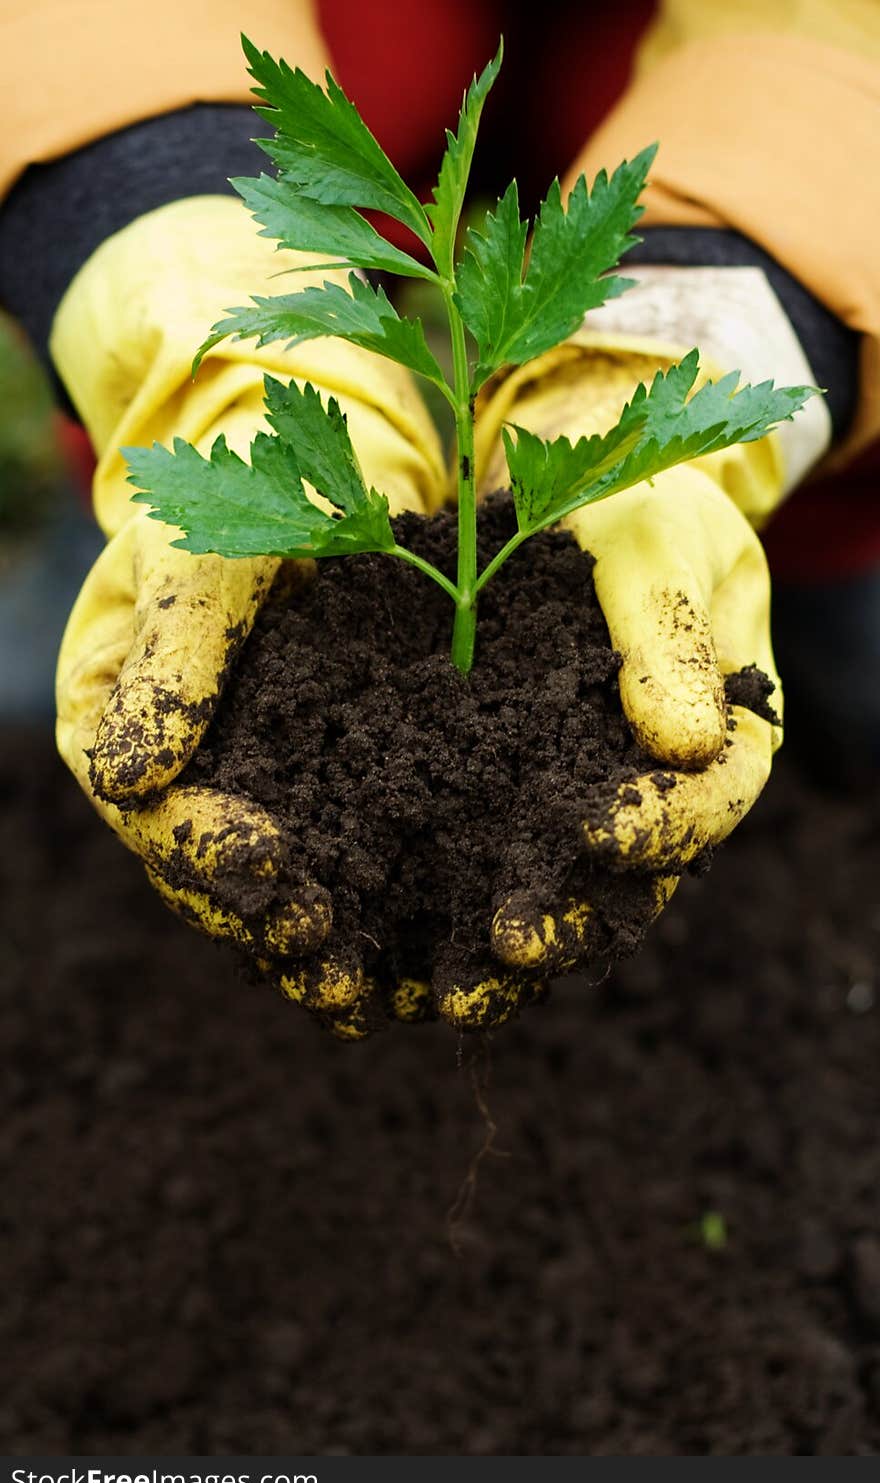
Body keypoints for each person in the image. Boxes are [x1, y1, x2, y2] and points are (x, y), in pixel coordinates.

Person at [0, 0, 876, 1027]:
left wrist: (744, 313)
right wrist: (170, 278)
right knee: (74, 746)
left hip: (818, 340)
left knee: (829, 739)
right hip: (243, 118)